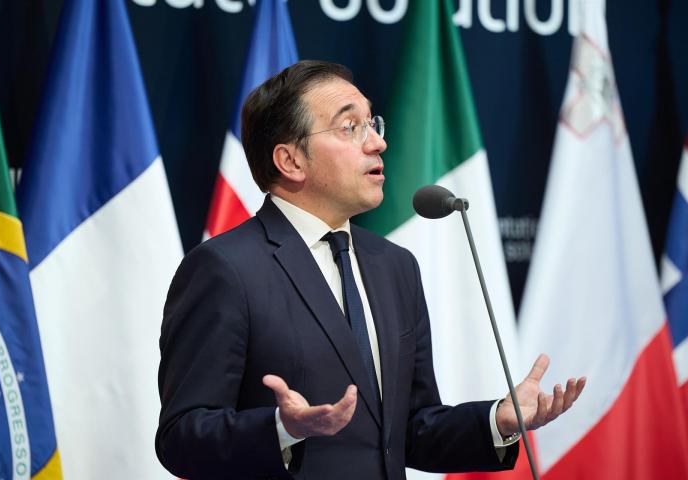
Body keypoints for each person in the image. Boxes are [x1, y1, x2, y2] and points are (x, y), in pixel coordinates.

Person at [155, 60, 586, 480]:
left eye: (372, 123)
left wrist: (497, 420)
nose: (377, 143)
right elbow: (181, 437)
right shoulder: (224, 268)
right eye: (349, 127)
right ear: (291, 161)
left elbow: (410, 429)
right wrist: (281, 429)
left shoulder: (394, 265)